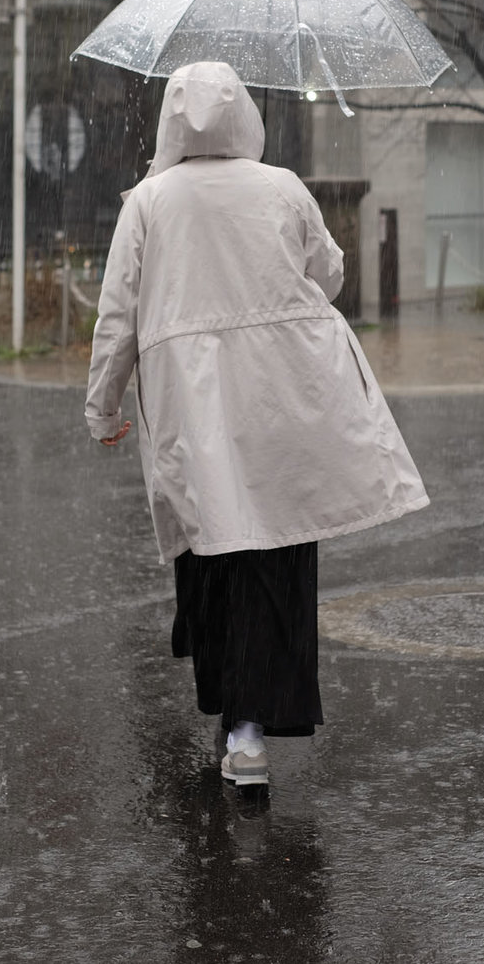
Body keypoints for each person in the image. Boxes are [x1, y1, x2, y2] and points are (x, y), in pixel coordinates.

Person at [85, 61, 429, 787]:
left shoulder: (148, 202)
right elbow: (329, 275)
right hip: (280, 398)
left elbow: (118, 314)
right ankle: (252, 732)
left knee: (213, 548)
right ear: (244, 114)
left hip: (193, 408)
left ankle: (233, 718)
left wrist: (103, 404)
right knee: (274, 548)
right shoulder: (282, 186)